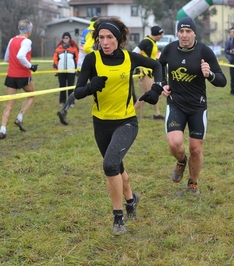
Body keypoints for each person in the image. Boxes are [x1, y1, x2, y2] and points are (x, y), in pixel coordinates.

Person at [73, 17, 163, 236]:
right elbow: (77, 92)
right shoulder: (91, 60)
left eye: (109, 37)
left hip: (126, 121)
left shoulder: (129, 58)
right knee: (116, 166)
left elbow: (157, 65)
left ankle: (118, 217)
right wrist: (90, 87)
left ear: (119, 39)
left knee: (110, 165)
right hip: (101, 122)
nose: (105, 42)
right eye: (101, 37)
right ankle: (131, 200)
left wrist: (156, 89)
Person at [150, 17, 226, 195]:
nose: (184, 35)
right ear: (178, 33)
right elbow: (158, 66)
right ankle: (181, 161)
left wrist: (209, 75)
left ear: (194, 33)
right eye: (181, 32)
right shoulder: (170, 49)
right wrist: (163, 84)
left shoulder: (204, 51)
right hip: (176, 103)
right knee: (175, 144)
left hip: (197, 107)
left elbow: (222, 81)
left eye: (188, 31)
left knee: (196, 148)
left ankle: (193, 182)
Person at [0, 19, 38, 139]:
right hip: (23, 75)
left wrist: (15, 63)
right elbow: (20, 55)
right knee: (32, 95)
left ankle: (3, 129)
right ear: (29, 30)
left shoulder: (12, 40)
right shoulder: (27, 41)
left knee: (9, 103)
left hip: (11, 75)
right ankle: (19, 117)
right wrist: (30, 66)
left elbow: (6, 58)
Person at [56, 17, 98, 125]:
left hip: (81, 64)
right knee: (98, 86)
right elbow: (88, 48)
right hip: (90, 63)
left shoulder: (86, 30)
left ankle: (64, 109)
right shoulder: (93, 32)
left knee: (78, 89)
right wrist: (98, 54)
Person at [133, 25, 165, 120]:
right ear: (156, 34)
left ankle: (156, 114)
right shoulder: (146, 42)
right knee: (148, 94)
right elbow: (134, 53)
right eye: (161, 34)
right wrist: (141, 64)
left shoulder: (152, 42)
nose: (162, 36)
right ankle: (129, 113)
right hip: (146, 72)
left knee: (155, 91)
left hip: (152, 70)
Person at [53, 32, 79, 106]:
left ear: (69, 39)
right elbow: (55, 59)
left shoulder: (74, 48)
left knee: (71, 86)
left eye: (67, 38)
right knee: (62, 86)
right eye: (64, 38)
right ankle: (62, 101)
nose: (65, 39)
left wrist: (77, 69)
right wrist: (55, 69)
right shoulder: (58, 48)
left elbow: (77, 59)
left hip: (71, 70)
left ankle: (71, 102)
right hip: (61, 70)